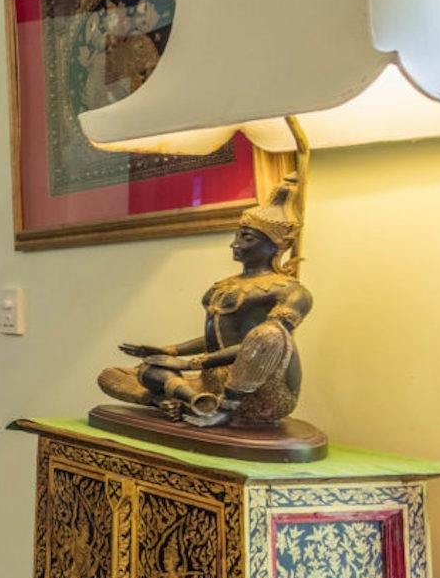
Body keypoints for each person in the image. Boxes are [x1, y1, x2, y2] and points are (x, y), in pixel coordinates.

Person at [96, 175, 310, 429]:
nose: (235, 244)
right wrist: (170, 352)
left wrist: (190, 363)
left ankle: (224, 409)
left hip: (260, 392)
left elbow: (263, 344)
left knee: (270, 333)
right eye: (237, 235)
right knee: (118, 375)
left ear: (278, 244)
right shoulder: (225, 284)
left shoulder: (292, 291)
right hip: (211, 382)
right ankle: (191, 401)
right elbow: (217, 339)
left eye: (247, 238)